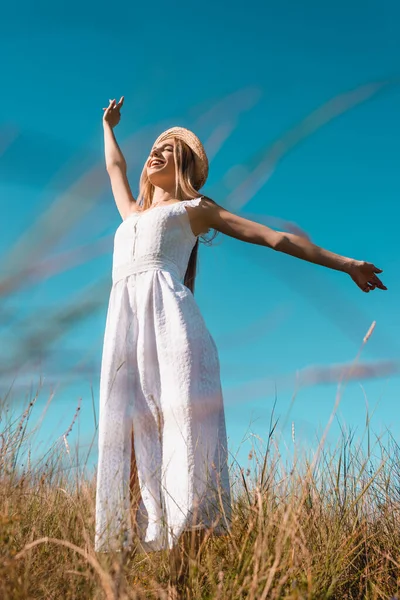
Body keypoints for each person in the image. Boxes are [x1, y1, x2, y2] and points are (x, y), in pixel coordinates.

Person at [94, 96, 387, 555]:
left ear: (186, 165)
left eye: (170, 148)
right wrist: (108, 126)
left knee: (184, 446)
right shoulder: (132, 214)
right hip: (126, 341)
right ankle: (129, 564)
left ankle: (184, 573)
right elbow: (114, 167)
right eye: (156, 146)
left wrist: (344, 263)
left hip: (175, 334)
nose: (158, 151)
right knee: (128, 444)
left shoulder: (195, 210)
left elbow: (274, 237)